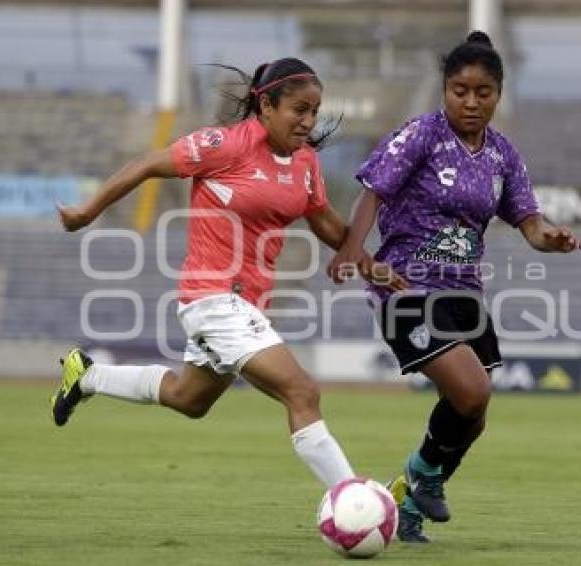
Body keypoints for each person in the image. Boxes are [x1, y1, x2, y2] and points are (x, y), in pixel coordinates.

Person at [52, 57, 405, 490]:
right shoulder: (225, 145)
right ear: (267, 106)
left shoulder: (306, 163)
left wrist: (372, 267)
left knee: (190, 398)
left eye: (314, 111)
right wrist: (87, 212)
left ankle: (87, 375)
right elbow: (147, 163)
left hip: (247, 303)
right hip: (214, 298)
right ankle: (351, 497)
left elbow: (326, 223)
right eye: (299, 110)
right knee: (302, 392)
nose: (308, 120)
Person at [327, 31, 581, 543]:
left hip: (464, 293)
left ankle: (409, 498)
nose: (470, 101)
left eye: (482, 92)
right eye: (459, 90)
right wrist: (355, 251)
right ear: (445, 90)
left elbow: (528, 220)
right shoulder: (422, 134)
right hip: (407, 286)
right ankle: (424, 477)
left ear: (498, 93)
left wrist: (548, 237)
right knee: (472, 390)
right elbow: (373, 191)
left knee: (473, 417)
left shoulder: (503, 155)